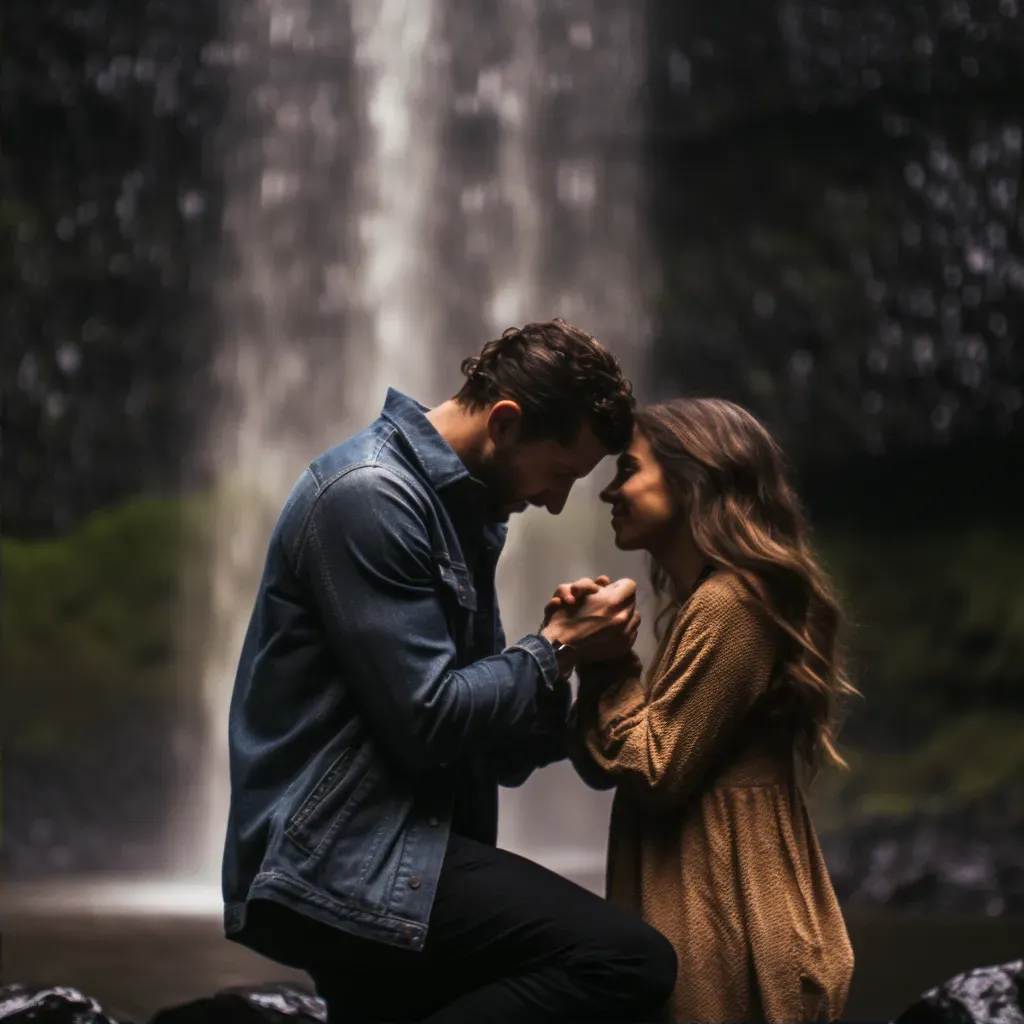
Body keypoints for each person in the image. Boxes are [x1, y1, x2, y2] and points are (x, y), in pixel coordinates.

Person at [221, 319, 677, 1023]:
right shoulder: (369, 495)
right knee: (625, 961)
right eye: (560, 474)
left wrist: (587, 665)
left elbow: (498, 752)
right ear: (504, 421)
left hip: (401, 852)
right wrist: (552, 649)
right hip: (337, 857)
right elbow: (428, 723)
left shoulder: (463, 514)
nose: (556, 502)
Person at [551, 397, 857, 1023]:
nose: (608, 492)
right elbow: (611, 761)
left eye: (628, 470)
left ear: (695, 479)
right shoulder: (712, 602)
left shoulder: (732, 604)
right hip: (709, 903)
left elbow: (653, 769)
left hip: (728, 918)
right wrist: (593, 655)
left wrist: (609, 663)